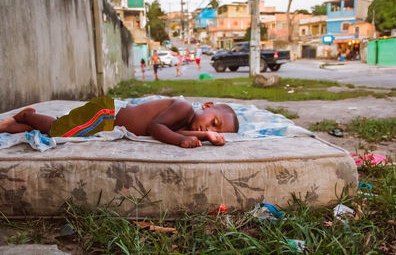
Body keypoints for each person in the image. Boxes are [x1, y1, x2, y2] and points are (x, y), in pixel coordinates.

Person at [0, 97, 239, 148]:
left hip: (109, 120)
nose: (209, 128)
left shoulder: (187, 121)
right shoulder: (184, 107)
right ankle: (26, 116)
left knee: (62, 130)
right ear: (207, 106)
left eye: (217, 130)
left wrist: (206, 137)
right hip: (106, 114)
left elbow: (183, 130)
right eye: (214, 122)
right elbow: (156, 128)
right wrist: (181, 140)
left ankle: (19, 126)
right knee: (59, 128)